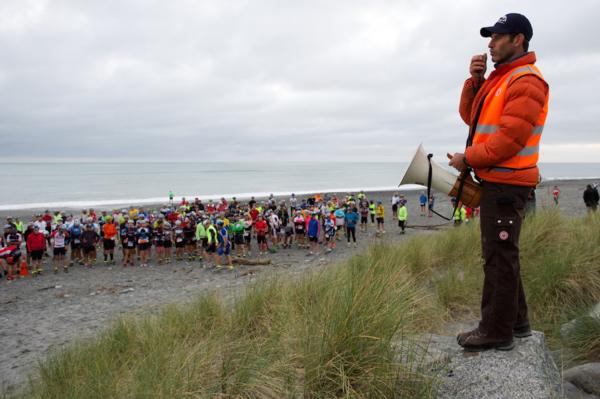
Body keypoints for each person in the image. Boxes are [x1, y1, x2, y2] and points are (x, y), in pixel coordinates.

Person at [449, 13, 549, 351]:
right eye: (489, 38)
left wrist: (469, 158)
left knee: (498, 257)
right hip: (499, 182)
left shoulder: (526, 81)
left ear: (517, 39)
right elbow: (472, 118)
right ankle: (517, 323)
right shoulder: (501, 78)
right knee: (503, 255)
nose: (489, 45)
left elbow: (509, 140)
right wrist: (474, 82)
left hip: (507, 185)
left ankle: (496, 331)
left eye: (497, 37)